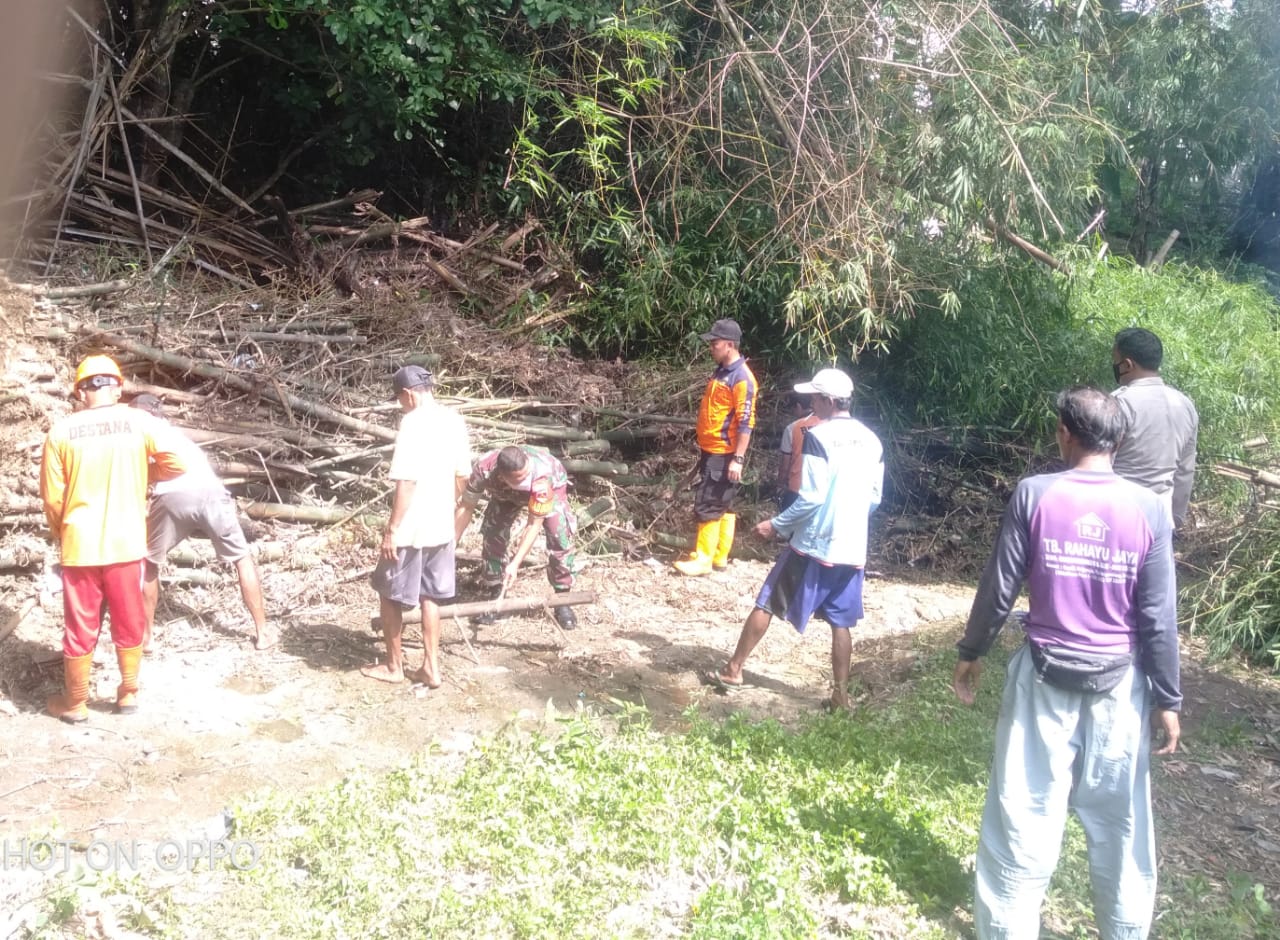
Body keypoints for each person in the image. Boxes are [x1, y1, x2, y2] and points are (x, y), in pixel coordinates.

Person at [952, 385, 1181, 940]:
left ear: (1064, 433)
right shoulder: (1149, 508)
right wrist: (1168, 699)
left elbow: (1001, 584)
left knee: (1022, 816)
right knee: (1123, 830)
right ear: (1120, 440)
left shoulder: (1035, 494)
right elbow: (1157, 615)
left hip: (1044, 680)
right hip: (1120, 689)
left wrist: (973, 650)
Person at [708, 368, 882, 710]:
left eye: (815, 398)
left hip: (814, 544)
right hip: (851, 547)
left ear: (829, 402)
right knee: (841, 623)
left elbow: (812, 497)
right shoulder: (872, 440)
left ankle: (733, 669)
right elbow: (874, 498)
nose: (810, 403)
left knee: (768, 600)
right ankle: (840, 696)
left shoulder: (818, 436)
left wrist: (776, 524)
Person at [40, 355, 186, 722]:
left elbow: (52, 497)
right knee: (128, 617)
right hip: (127, 542)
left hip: (80, 544)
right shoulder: (139, 422)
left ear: (80, 392)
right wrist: (144, 471)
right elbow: (177, 463)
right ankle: (128, 694)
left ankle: (76, 703)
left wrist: (62, 531)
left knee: (81, 624)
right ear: (118, 387)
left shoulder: (61, 432)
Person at [130, 394, 276, 652]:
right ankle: (262, 633)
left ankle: (147, 638)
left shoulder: (138, 430)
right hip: (210, 491)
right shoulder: (174, 434)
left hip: (171, 494)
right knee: (242, 558)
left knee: (150, 562)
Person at [364, 365, 472, 686]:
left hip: (412, 527)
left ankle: (395, 667)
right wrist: (445, 505)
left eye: (400, 399)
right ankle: (431, 667)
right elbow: (464, 477)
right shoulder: (455, 420)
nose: (401, 405)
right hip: (441, 525)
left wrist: (392, 529)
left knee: (388, 594)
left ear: (408, 394)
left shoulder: (412, 424)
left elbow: (406, 481)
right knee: (430, 597)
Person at [454, 444, 579, 630]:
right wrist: (450, 545)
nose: (524, 481)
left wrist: (515, 563)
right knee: (493, 530)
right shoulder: (484, 469)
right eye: (518, 479)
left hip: (548, 491)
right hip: (504, 495)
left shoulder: (542, 476)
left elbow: (533, 523)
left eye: (525, 476)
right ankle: (496, 592)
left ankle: (562, 598)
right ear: (501, 475)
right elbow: (466, 507)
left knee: (558, 535)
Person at [674, 318, 760, 576]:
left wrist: (738, 458)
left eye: (715, 343)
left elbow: (746, 422)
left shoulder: (743, 378)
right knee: (724, 501)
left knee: (709, 501)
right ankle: (719, 556)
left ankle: (703, 559)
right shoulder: (722, 371)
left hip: (725, 452)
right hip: (712, 448)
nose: (711, 347)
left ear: (730, 345)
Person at [1110, 327, 1199, 528]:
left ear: (1127, 364)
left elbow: (1099, 465)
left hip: (1118, 517)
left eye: (1115, 361)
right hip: (1160, 519)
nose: (1114, 366)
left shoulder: (1118, 403)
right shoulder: (1185, 405)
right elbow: (1185, 471)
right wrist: (1174, 520)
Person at [776, 392, 819, 511]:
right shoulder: (826, 423)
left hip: (797, 488)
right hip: (821, 488)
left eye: (793, 409)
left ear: (798, 406)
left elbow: (785, 463)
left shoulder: (792, 428)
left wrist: (780, 485)